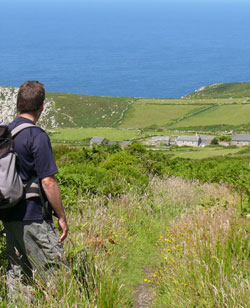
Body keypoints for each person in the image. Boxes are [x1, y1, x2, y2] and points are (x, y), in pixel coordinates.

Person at [2, 81, 69, 300]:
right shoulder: (36, 136)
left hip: (8, 217)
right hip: (34, 217)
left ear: (17, 104)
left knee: (19, 280)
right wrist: (61, 216)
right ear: (41, 108)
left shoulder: (6, 135)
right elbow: (48, 182)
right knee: (56, 276)